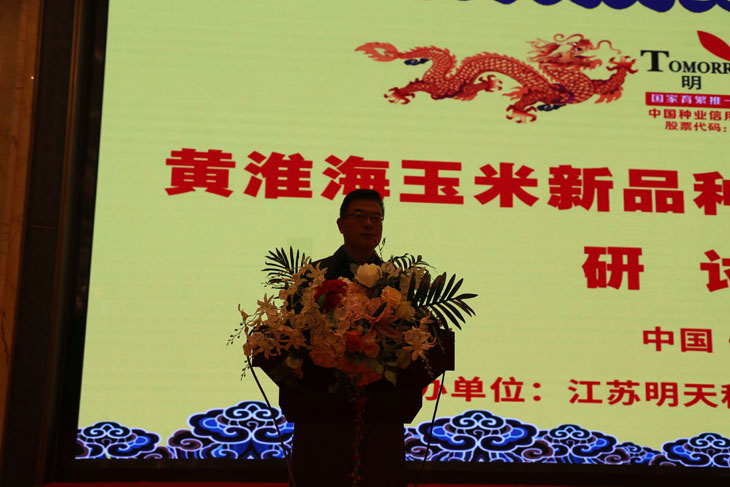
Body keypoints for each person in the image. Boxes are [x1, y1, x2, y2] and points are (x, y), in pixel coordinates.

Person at [285, 189, 408, 487]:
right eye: (360, 216)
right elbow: (288, 333)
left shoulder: (398, 282)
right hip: (320, 417)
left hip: (381, 418)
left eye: (376, 218)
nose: (369, 224)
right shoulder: (313, 276)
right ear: (340, 224)